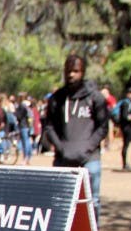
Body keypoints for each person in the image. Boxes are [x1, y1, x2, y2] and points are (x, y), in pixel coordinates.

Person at [43, 54, 108, 221]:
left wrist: (88, 147)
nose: (71, 75)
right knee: (60, 202)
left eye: (76, 71)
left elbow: (103, 127)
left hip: (89, 158)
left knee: (92, 201)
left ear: (83, 72)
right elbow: (49, 126)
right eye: (68, 71)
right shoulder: (57, 99)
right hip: (62, 158)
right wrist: (60, 147)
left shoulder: (95, 97)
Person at [114, 86, 131, 171]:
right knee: (126, 145)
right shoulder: (125, 103)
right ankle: (125, 164)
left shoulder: (130, 103)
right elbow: (125, 116)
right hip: (127, 127)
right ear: (129, 94)